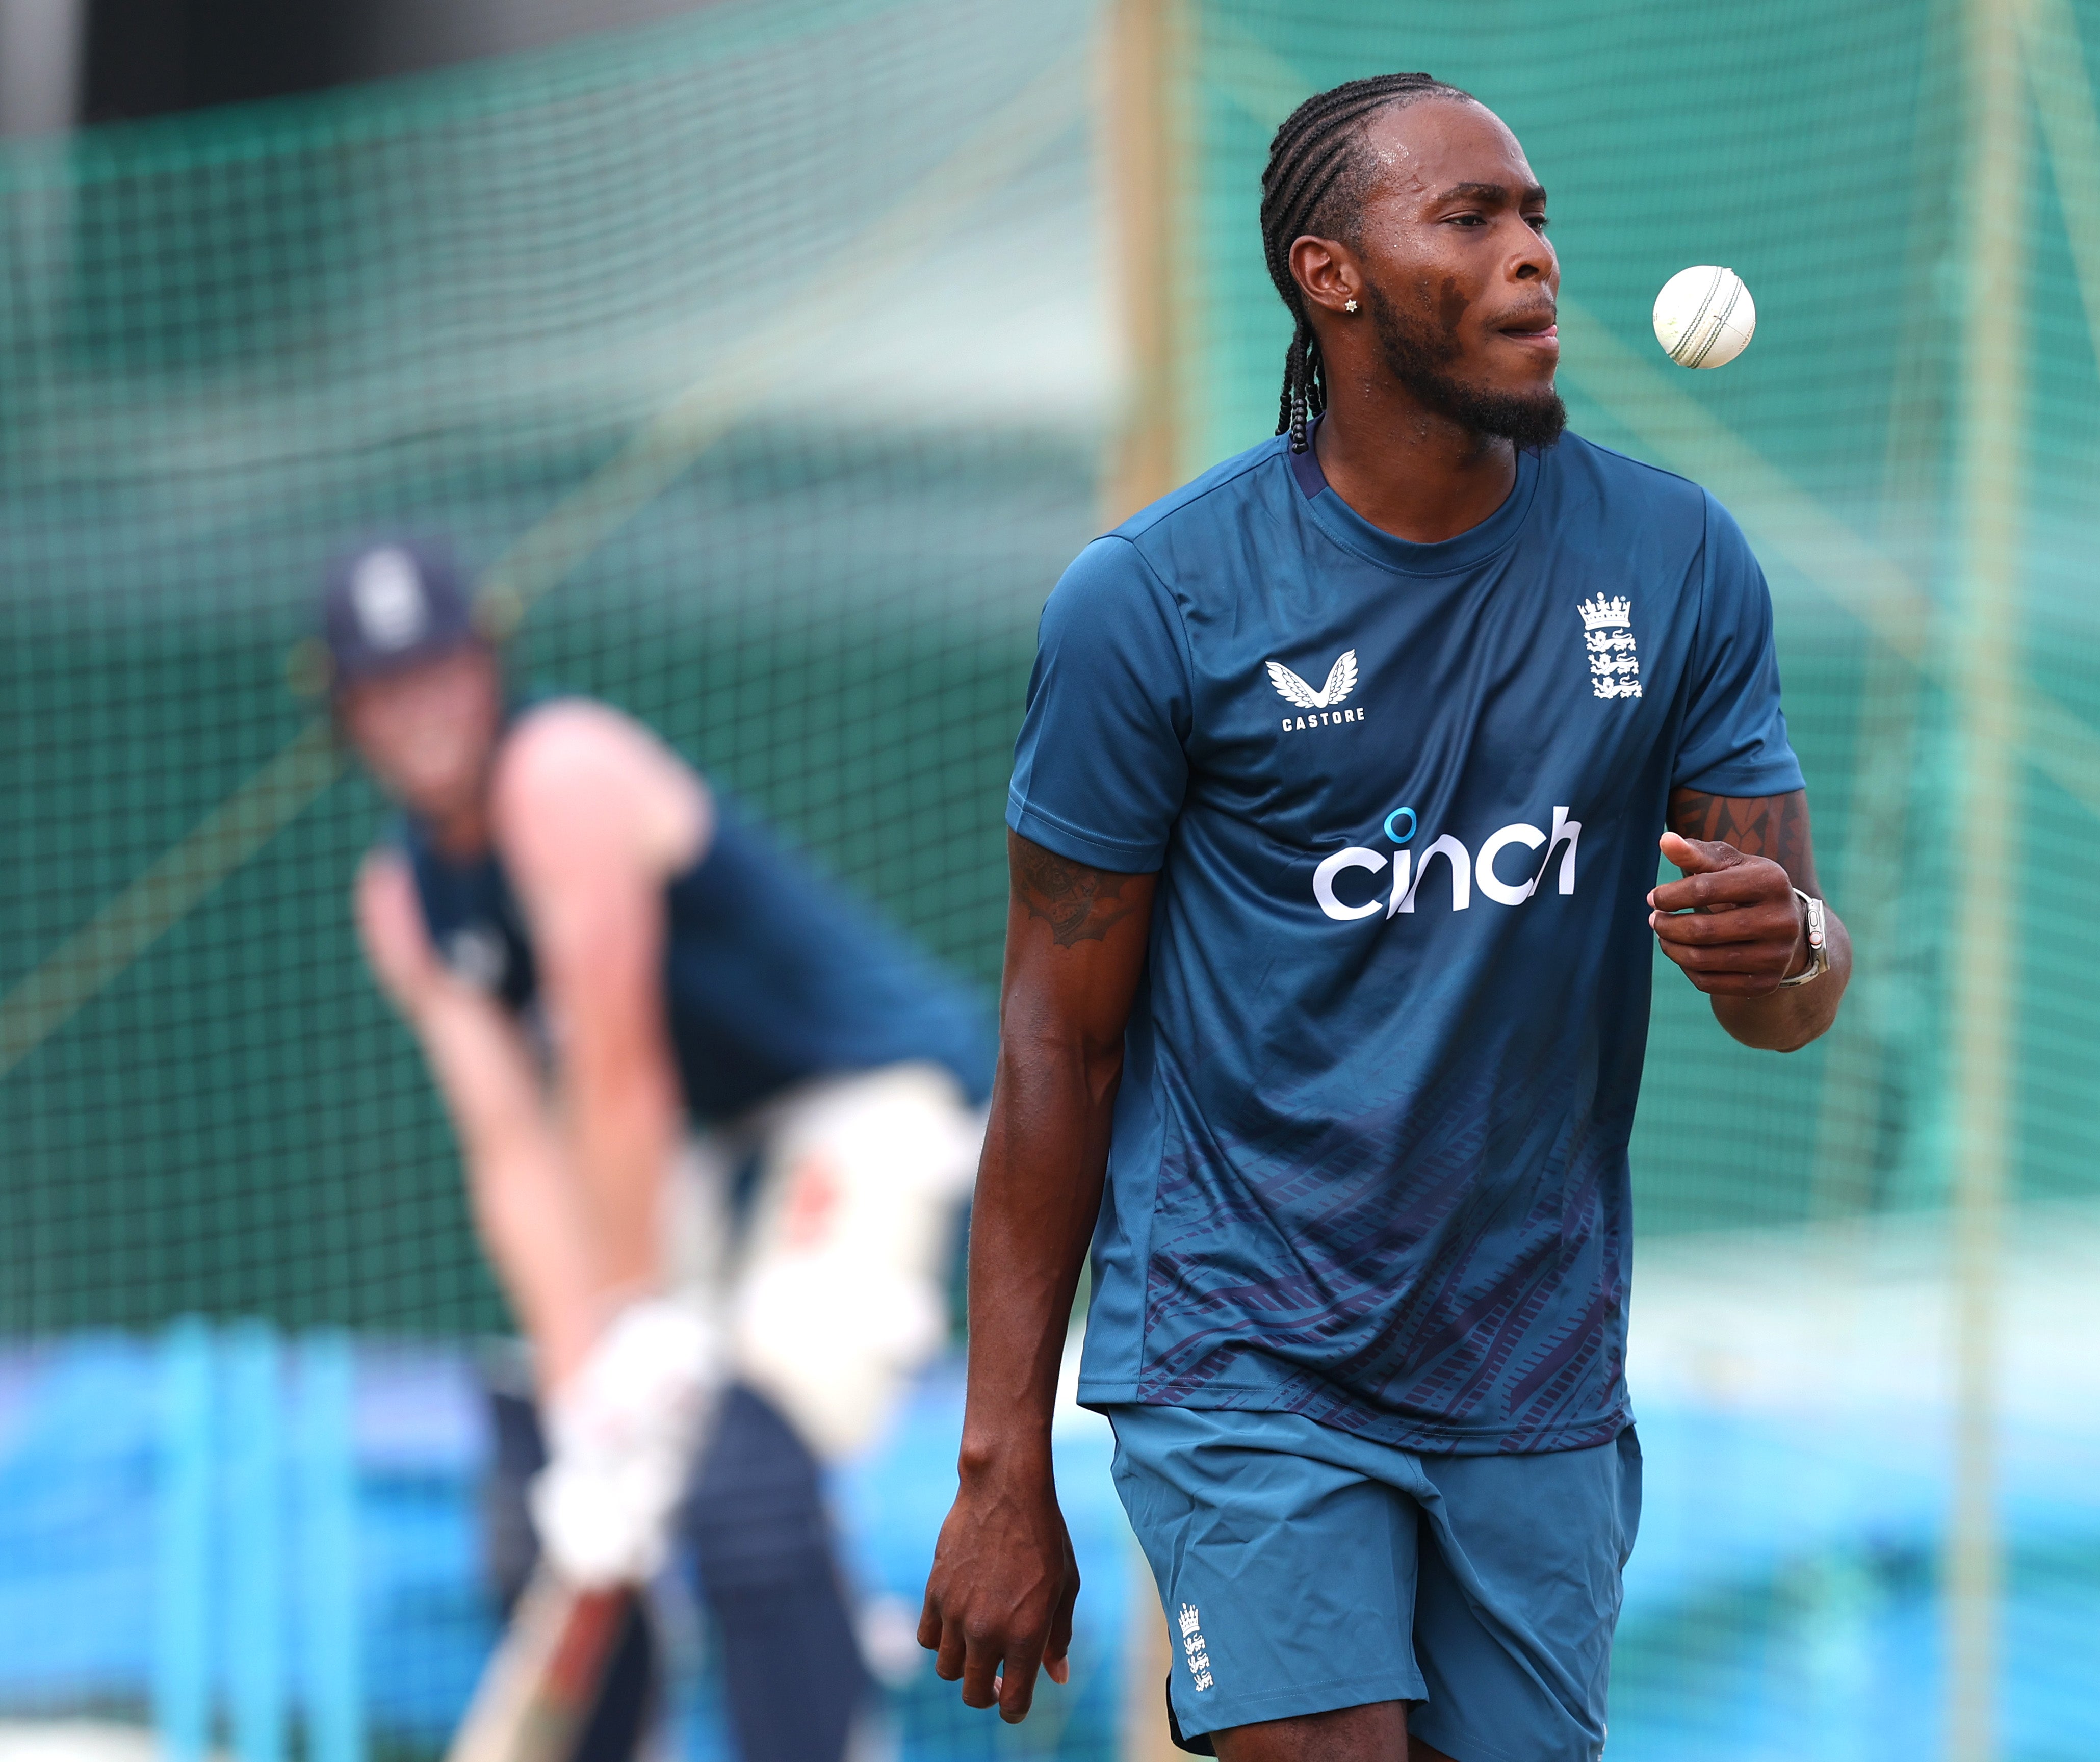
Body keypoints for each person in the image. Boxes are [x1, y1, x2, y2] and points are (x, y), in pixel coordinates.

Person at [919, 72, 1850, 1762]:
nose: (1530, 259)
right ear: (1326, 276)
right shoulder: (1157, 602)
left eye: (1538, 217)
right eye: (1469, 218)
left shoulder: (1674, 558)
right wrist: (1001, 1467)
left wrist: (1785, 940)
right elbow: (1060, 1035)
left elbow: (1787, 984)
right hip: (1242, 1343)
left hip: (1530, 1357)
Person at [326, 537, 996, 1762]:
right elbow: (513, 1154)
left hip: (863, 1102)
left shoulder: (561, 772)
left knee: (746, 1469)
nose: (419, 713)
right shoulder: (402, 899)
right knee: (557, 1501)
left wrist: (631, 1328)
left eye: (437, 672)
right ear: (347, 712)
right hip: (701, 1145)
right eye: (385, 688)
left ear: (485, 667)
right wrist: (589, 1385)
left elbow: (613, 1065)